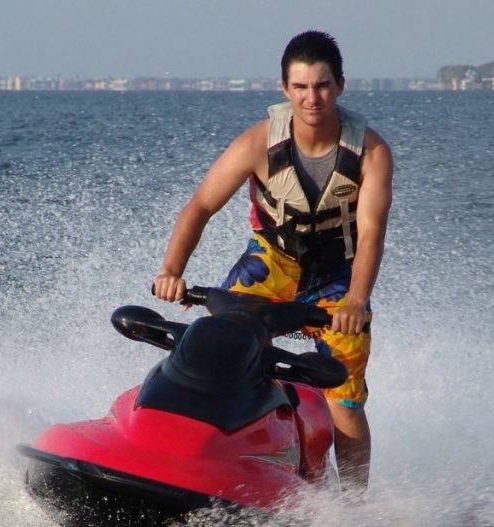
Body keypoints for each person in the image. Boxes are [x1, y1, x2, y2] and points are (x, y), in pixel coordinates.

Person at [153, 30, 393, 494]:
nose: (312, 98)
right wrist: (171, 271)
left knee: (343, 401)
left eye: (322, 86)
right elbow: (200, 206)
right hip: (271, 263)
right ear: (284, 89)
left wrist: (357, 300)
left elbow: (370, 235)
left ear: (340, 85)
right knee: (212, 350)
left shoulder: (371, 154)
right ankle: (179, 452)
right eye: (300, 87)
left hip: (336, 279)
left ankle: (355, 514)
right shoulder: (257, 143)